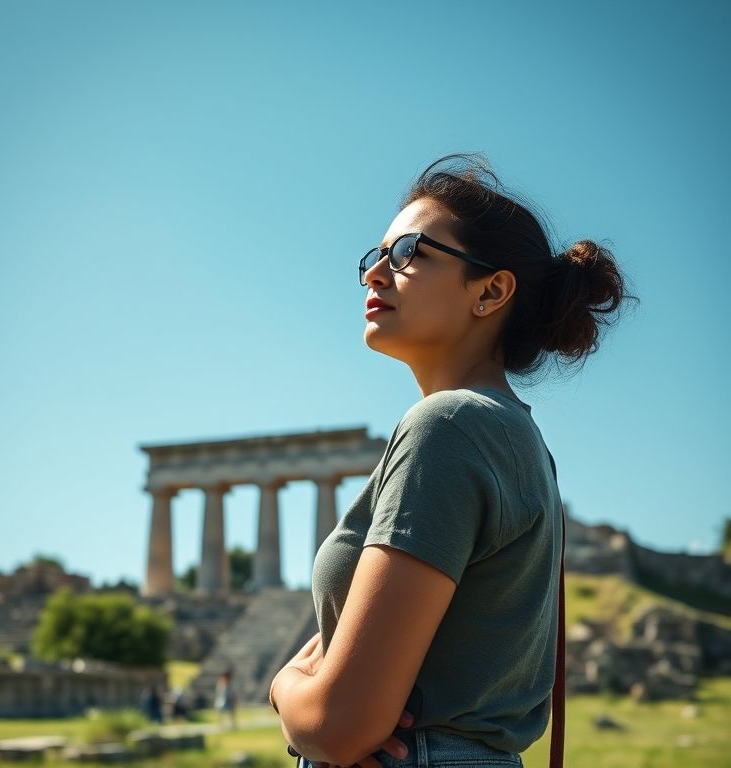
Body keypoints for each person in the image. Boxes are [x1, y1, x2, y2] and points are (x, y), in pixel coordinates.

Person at [269, 154, 635, 768]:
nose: (375, 274)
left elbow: (338, 728)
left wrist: (284, 688)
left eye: (410, 251)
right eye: (373, 256)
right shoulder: (516, 437)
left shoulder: (449, 426)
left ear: (490, 291)